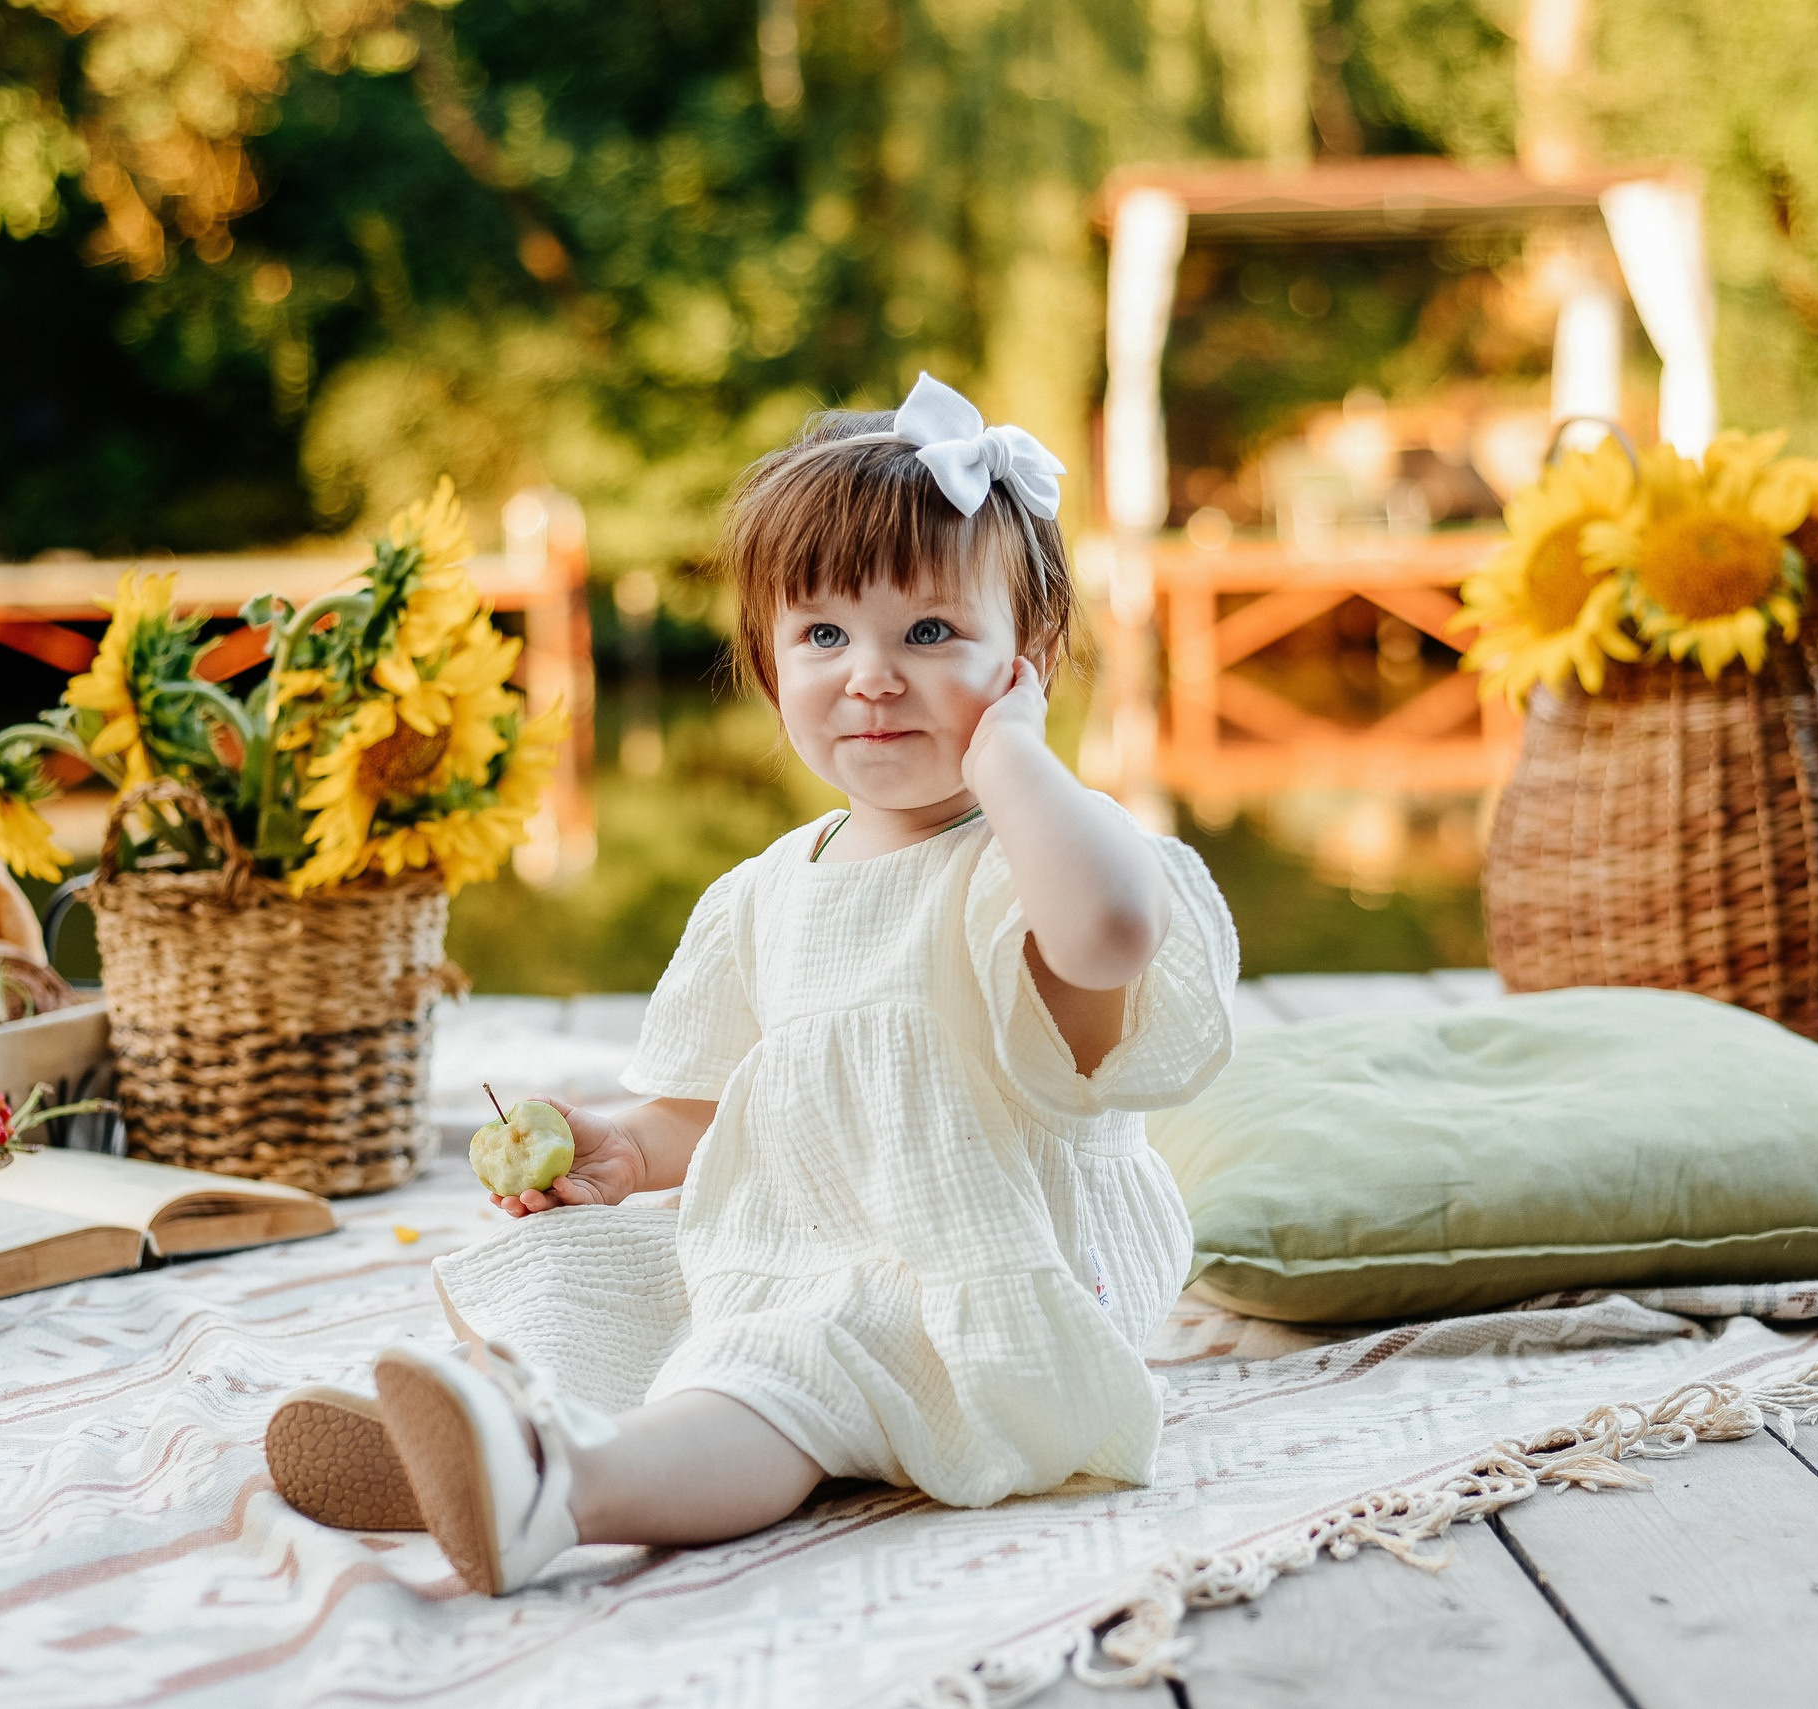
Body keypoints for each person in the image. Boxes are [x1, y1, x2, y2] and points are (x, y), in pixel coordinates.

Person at [264, 374, 1239, 1595]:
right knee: (595, 1273)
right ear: (771, 667)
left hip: (989, 1268)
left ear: (1027, 664)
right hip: (814, 1236)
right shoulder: (765, 892)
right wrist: (621, 1148)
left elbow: (1108, 937)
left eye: (930, 634)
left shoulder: (1024, 862)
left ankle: (566, 1485)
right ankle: (498, 1440)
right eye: (824, 636)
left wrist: (1013, 760)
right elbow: (719, 1106)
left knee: (793, 1367)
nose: (872, 675)